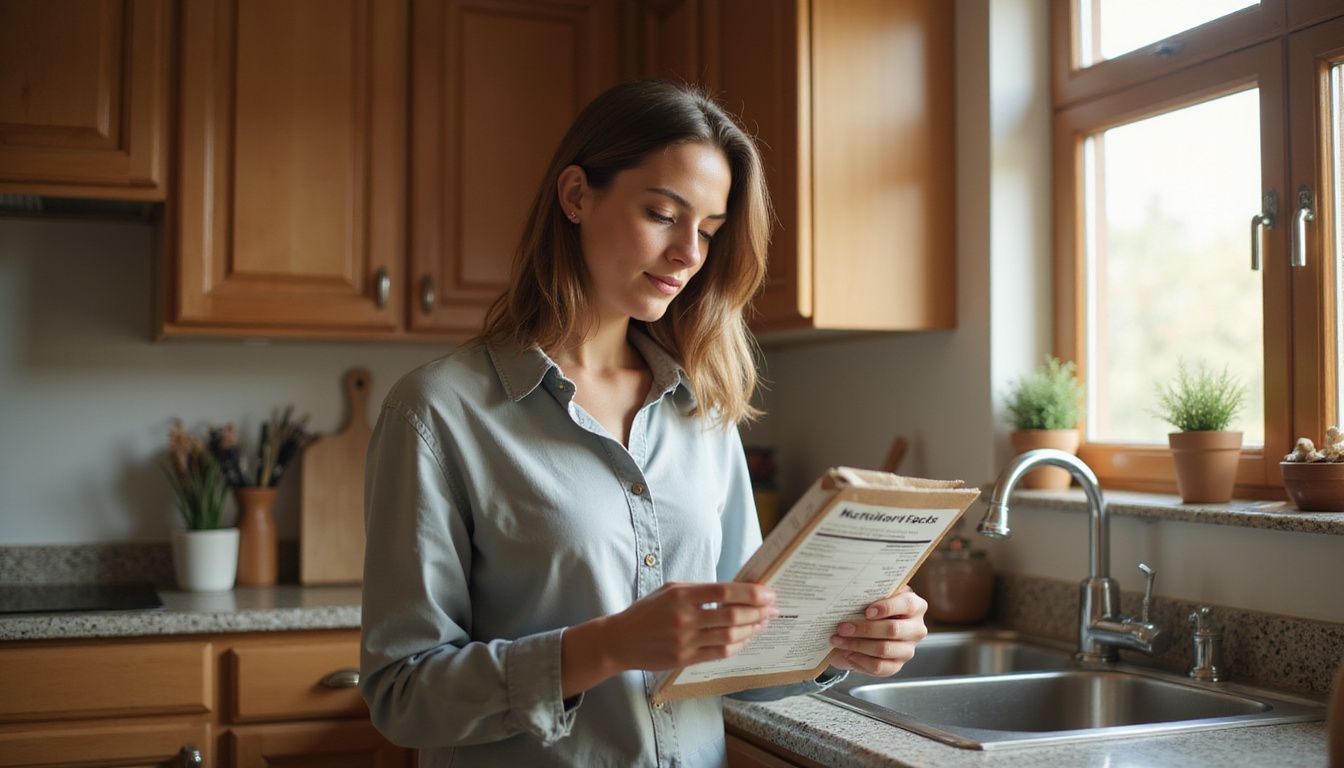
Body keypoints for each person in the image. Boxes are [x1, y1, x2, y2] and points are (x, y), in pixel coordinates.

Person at [359, 79, 929, 768]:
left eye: (710, 232)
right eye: (663, 213)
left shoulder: (703, 411)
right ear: (576, 196)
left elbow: (740, 657)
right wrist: (610, 646)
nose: (690, 253)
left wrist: (839, 646)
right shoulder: (436, 413)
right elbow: (402, 695)